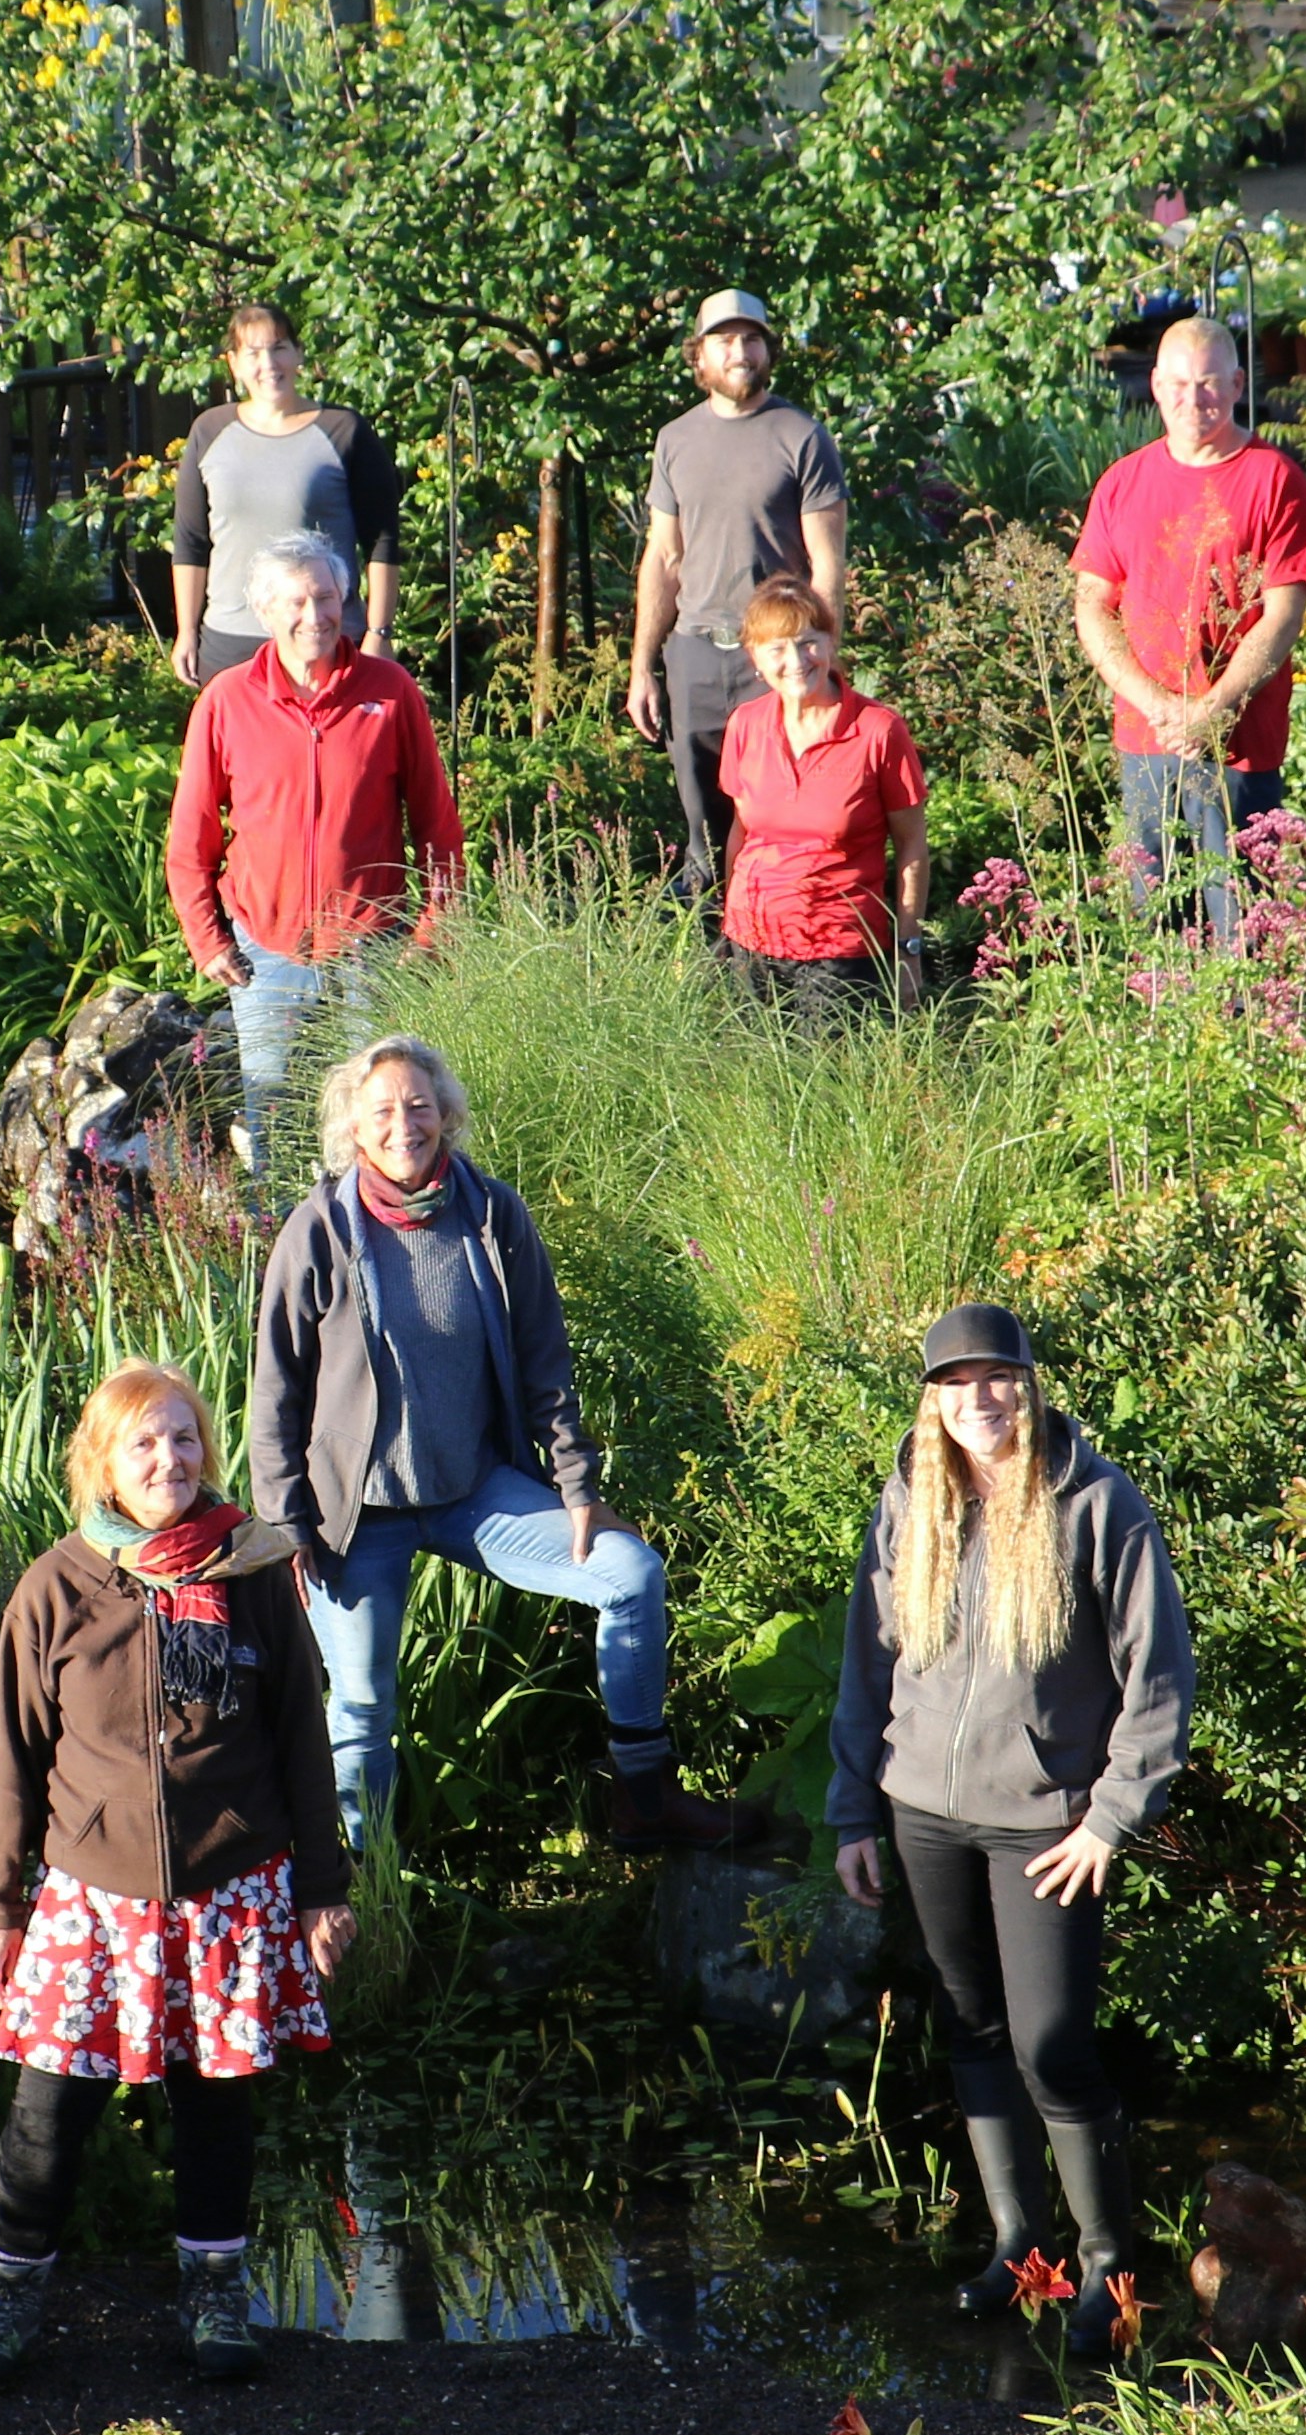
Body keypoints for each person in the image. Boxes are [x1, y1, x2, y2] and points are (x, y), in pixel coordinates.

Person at [0, 1363, 354, 2394]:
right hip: (91, 1901)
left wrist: (323, 1886)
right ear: (103, 1465)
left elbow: (303, 1737)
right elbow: (12, 1757)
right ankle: (7, 2309)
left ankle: (214, 2302)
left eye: (182, 1440)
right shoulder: (58, 1587)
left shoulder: (254, 1572)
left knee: (216, 2110)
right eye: (142, 1444)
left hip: (231, 1893)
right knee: (48, 2116)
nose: (168, 1460)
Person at [246, 1033, 723, 1851]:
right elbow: (276, 1388)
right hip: (356, 1515)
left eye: (420, 1107)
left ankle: (644, 1801)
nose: (405, 1126)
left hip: (474, 1493)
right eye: (384, 1112)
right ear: (355, 1131)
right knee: (360, 1705)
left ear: (448, 1116)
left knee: (631, 1576)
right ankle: (366, 1893)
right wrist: (286, 1524)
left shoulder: (492, 1212)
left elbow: (546, 1358)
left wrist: (577, 1486)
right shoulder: (317, 1229)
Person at [823, 1304, 1192, 2358]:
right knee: (971, 2027)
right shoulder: (911, 1504)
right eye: (957, 1382)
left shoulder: (1096, 1505)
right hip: (923, 1813)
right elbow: (868, 1666)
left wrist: (1111, 1819)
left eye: (999, 1379)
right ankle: (1021, 2247)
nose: (980, 1399)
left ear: (1029, 1387)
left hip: (1044, 1826)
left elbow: (1158, 1678)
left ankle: (1110, 2265)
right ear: (931, 1401)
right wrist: (855, 1810)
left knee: (1053, 2045)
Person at [166, 534, 465, 1175]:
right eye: (297, 602)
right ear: (265, 612)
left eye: (326, 597)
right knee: (272, 1115)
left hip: (371, 948)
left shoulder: (388, 692)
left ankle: (372, 1250)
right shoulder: (226, 700)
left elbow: (438, 825)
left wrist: (431, 934)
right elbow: (191, 835)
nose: (315, 617)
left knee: (382, 1125)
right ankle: (286, 1252)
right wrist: (207, 938)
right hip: (263, 952)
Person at [1072, 312, 1306, 931]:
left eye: (1210, 383)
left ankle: (1247, 1031)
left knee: (1240, 924)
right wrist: (1160, 705)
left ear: (1239, 385)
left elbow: (1283, 613)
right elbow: (1092, 604)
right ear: (1156, 385)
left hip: (1238, 747)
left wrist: (1217, 707)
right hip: (1146, 741)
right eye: (1181, 385)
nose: (1196, 401)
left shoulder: (1274, 479)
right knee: (1153, 926)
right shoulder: (1122, 484)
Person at [627, 291, 856, 894]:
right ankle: (713, 973)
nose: (740, 351)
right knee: (704, 833)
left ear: (768, 352)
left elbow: (825, 563)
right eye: (724, 341)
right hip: (695, 656)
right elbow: (664, 557)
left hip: (776, 661)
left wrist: (821, 657)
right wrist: (642, 669)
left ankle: (780, 966)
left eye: (751, 339)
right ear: (698, 357)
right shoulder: (675, 440)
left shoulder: (802, 436)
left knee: (777, 821)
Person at [714, 580, 932, 1016]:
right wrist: (727, 923)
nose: (795, 661)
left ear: (830, 642)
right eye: (776, 648)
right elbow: (742, 832)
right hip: (751, 944)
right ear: (754, 658)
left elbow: (911, 845)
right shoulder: (746, 725)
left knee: (826, 1081)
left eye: (808, 643)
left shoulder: (879, 730)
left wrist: (909, 950)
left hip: (840, 952)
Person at [163, 303, 406, 686]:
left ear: (297, 353)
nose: (268, 364)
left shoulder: (343, 430)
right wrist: (186, 631)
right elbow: (191, 544)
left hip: (324, 637)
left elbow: (383, 541)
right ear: (234, 363)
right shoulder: (209, 431)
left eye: (278, 348)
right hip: (230, 642)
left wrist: (379, 632)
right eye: (253, 353)